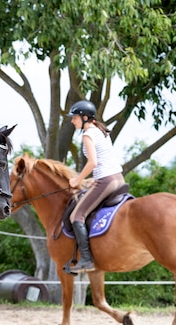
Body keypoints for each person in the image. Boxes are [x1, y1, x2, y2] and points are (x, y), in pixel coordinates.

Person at [67, 100, 124, 273]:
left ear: (85, 117)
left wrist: (77, 180)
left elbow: (93, 162)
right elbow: (103, 161)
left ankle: (86, 259)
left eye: (75, 118)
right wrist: (90, 179)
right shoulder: (101, 131)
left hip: (106, 181)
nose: (72, 121)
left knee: (76, 216)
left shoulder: (88, 135)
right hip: (118, 178)